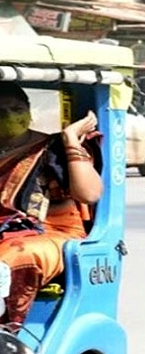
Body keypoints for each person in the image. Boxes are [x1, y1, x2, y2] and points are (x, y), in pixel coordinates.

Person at [0, 82, 102, 324]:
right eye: (1, 112)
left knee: (14, 257)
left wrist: (70, 140)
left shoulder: (52, 148)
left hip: (51, 234)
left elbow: (89, 194)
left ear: (28, 110)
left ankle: (6, 340)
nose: (10, 117)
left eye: (16, 109)